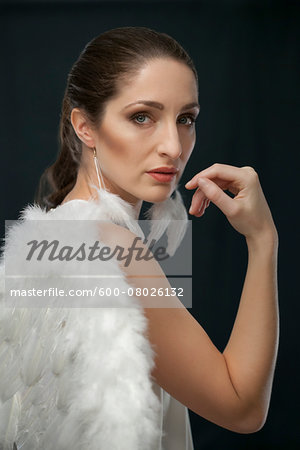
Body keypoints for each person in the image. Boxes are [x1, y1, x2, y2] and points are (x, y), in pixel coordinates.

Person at [0, 26, 279, 450]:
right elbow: (242, 408)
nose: (173, 145)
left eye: (186, 119)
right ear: (85, 127)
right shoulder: (115, 250)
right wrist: (263, 240)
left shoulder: (44, 239)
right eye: (142, 117)